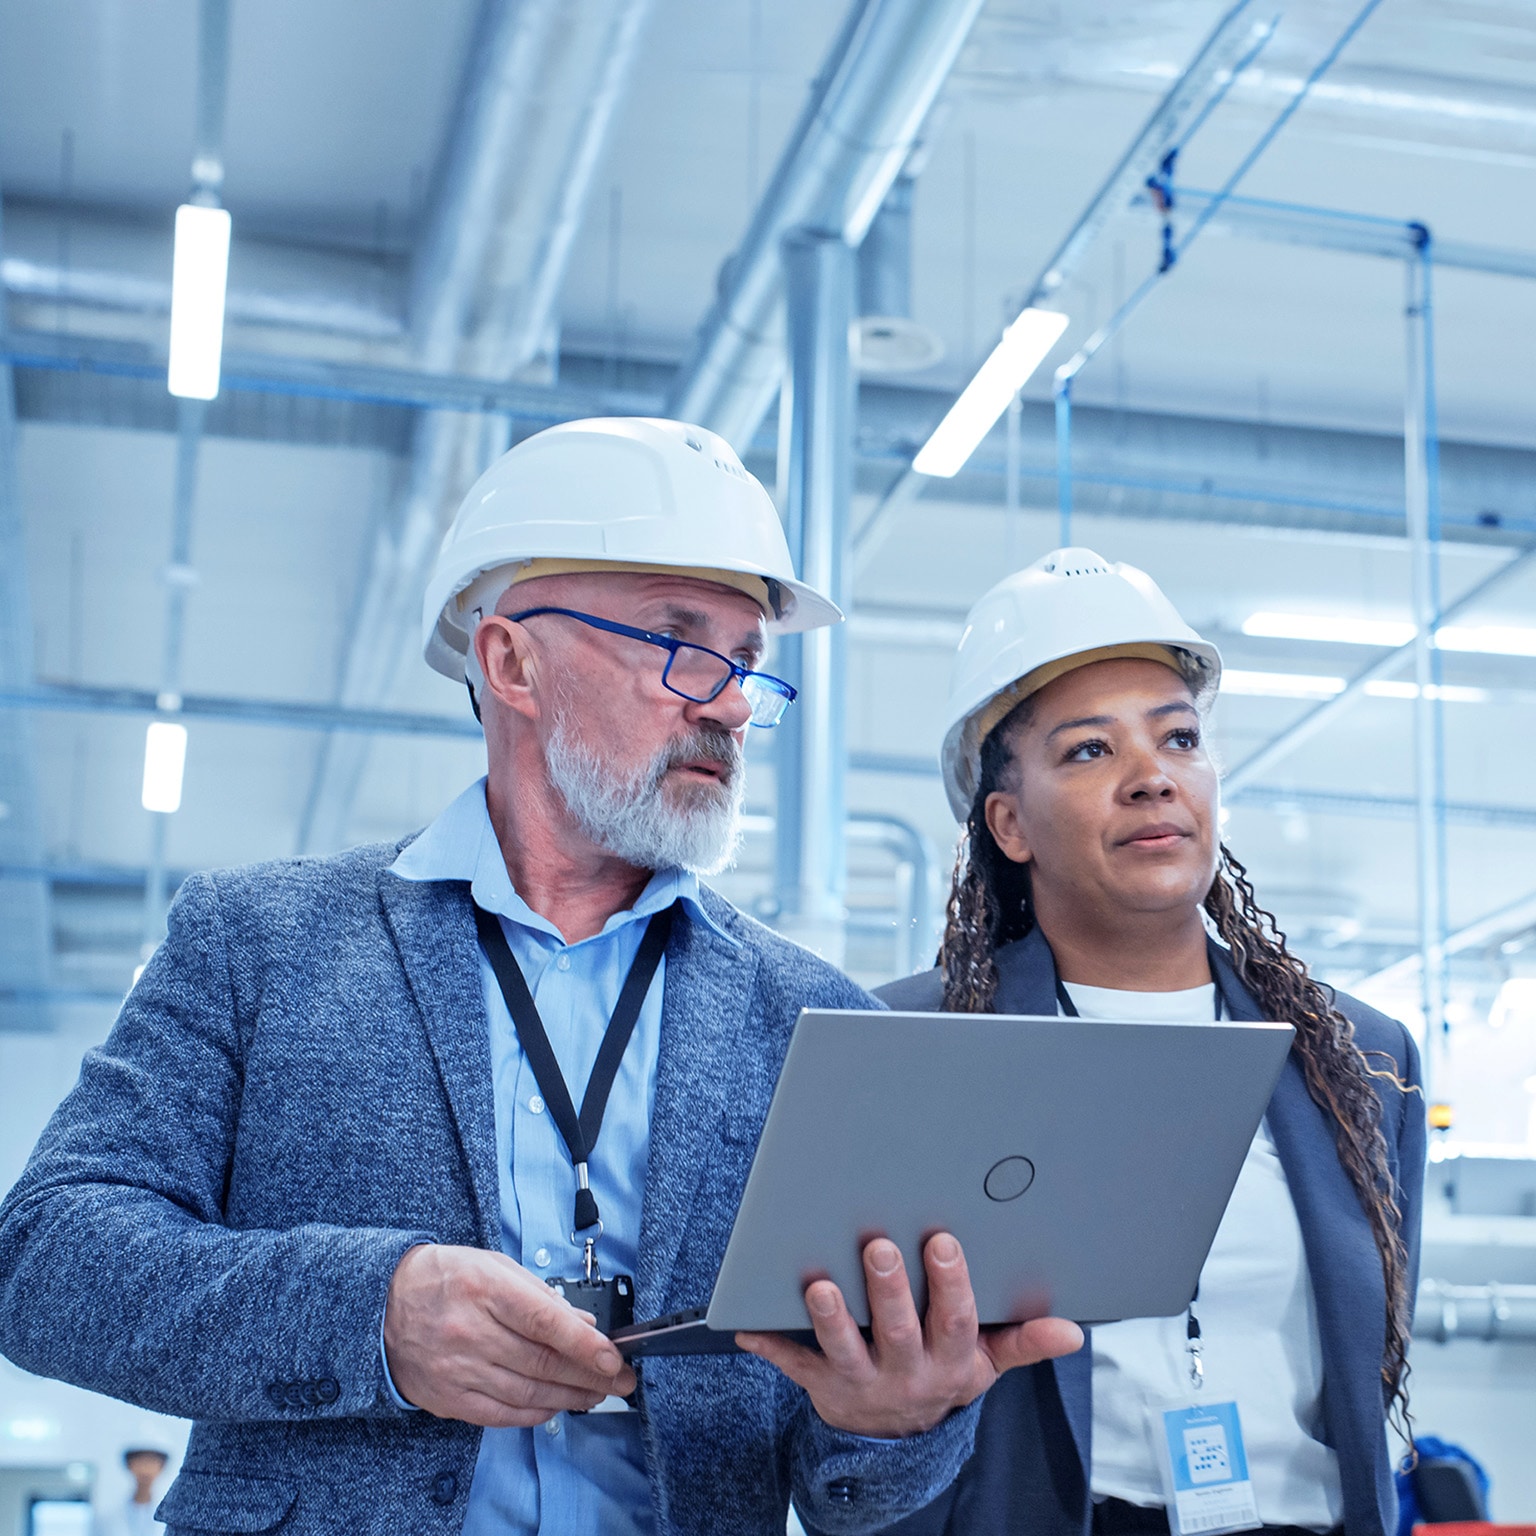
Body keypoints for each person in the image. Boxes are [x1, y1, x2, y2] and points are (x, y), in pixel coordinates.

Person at [0, 418, 1079, 1536]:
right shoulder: (260, 942)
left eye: (747, 659)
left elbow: (845, 1494)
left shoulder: (814, 1020)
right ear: (511, 662)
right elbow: (44, 1260)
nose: (730, 703)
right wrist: (374, 1314)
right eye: (678, 640)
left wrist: (893, 1417)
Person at [871, 548, 1425, 1536]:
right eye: (1090, 751)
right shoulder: (909, 1046)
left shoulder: (1359, 1059)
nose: (1150, 780)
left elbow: (1367, 1364)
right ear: (1008, 824)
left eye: (1178, 739)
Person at [96, 1448, 169, 1536]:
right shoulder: (107, 1517)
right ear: (129, 1465)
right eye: (140, 1461)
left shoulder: (171, 1515)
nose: (146, 1469)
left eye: (152, 1461)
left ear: (161, 1466)